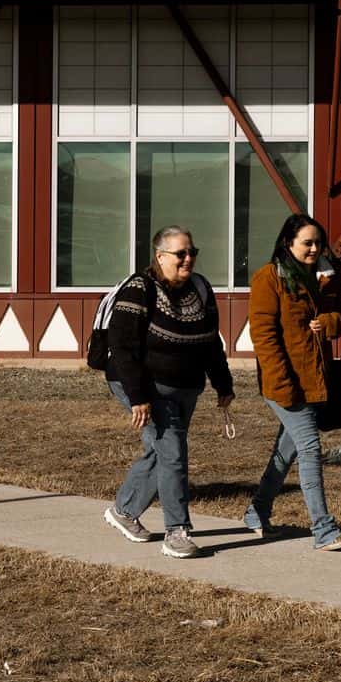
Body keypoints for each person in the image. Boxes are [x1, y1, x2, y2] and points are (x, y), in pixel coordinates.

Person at [101, 225, 235, 559]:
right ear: (160, 256)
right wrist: (138, 397)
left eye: (192, 252)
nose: (188, 258)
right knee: (174, 451)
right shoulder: (138, 289)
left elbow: (210, 343)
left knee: (161, 451)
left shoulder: (201, 288)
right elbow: (122, 348)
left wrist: (223, 384)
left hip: (186, 386)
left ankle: (124, 511)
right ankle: (177, 532)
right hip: (145, 385)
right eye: (180, 254)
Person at [243, 213, 341, 550]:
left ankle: (257, 513)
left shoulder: (324, 276)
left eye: (317, 243)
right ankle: (323, 530)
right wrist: (281, 383)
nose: (314, 249)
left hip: (315, 378)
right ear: (287, 243)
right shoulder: (269, 278)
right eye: (307, 243)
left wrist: (327, 322)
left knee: (287, 450)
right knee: (310, 448)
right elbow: (263, 337)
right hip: (284, 382)